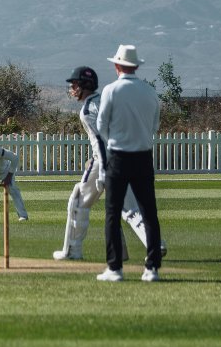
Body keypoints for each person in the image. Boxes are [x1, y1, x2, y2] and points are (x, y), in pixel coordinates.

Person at [55, 66, 166, 261]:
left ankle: (73, 251)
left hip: (103, 161)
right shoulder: (107, 100)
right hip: (125, 157)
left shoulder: (88, 110)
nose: (72, 89)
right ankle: (154, 244)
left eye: (75, 84)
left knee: (78, 201)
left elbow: (100, 141)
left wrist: (103, 172)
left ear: (84, 85)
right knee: (129, 209)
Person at [96, 45, 164, 282]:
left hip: (119, 156)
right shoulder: (149, 91)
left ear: (117, 65)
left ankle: (115, 268)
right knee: (149, 212)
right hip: (143, 156)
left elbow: (101, 125)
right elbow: (154, 126)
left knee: (113, 212)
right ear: (135, 66)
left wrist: (115, 141)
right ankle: (152, 268)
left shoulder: (111, 90)